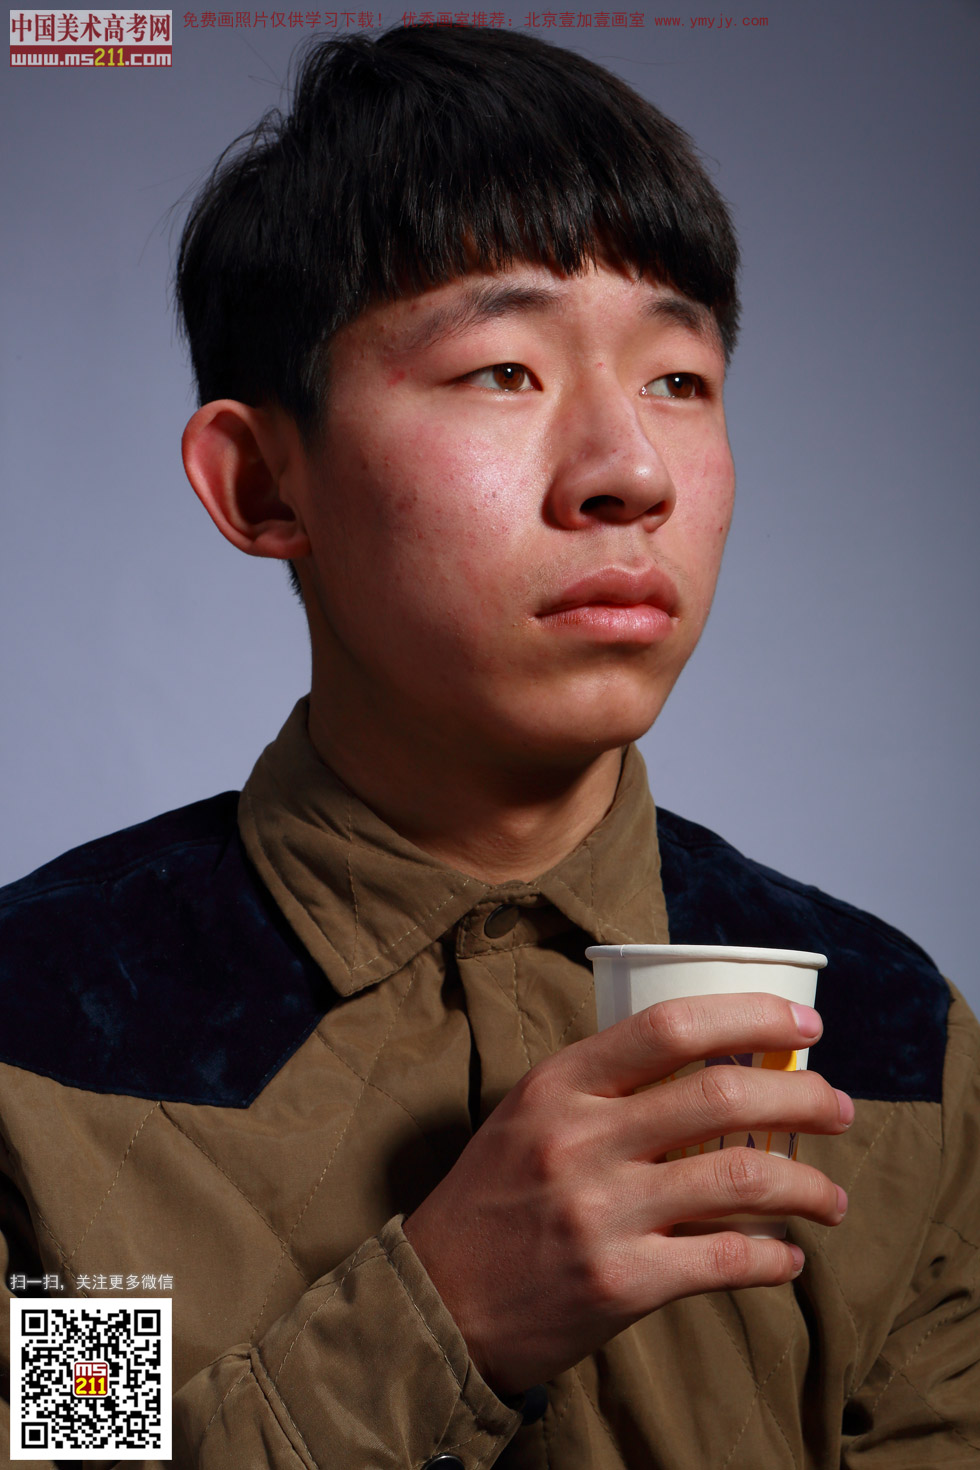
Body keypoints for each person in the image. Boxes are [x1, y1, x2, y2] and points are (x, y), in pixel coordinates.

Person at [1, 22, 977, 1469]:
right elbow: (76, 1447)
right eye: (504, 370)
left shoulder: (891, 1045)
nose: (628, 472)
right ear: (261, 481)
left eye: (679, 379)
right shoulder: (47, 1037)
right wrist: (440, 1322)